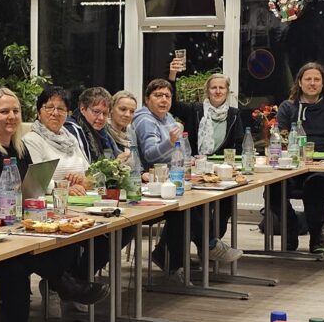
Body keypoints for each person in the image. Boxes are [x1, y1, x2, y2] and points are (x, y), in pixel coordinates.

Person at [0, 88, 103, 322]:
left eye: (15, 111)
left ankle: (60, 287)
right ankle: (56, 294)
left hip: (16, 221)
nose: (11, 116)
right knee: (16, 267)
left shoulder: (18, 146)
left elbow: (30, 188)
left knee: (63, 240)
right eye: (4, 111)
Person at [273, 63, 324, 254]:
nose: (312, 83)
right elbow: (279, 140)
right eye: (308, 79)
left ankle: (316, 236)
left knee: (315, 184)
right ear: (299, 83)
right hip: (292, 167)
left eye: (316, 79)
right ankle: (291, 226)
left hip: (323, 169)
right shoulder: (287, 108)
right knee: (273, 188)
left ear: (323, 83)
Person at [176, 73, 247, 264]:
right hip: (195, 170)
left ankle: (209, 244)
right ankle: (208, 246)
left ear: (227, 91)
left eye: (221, 88)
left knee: (226, 205)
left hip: (222, 172)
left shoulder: (234, 114)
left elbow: (239, 143)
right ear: (207, 91)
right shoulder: (195, 110)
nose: (217, 91)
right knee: (198, 208)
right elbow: (173, 105)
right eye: (213, 87)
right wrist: (173, 76)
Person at [130, 76, 194, 269]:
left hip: (173, 178)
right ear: (147, 99)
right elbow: (150, 155)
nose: (164, 100)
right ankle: (198, 249)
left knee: (201, 205)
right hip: (153, 184)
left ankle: (168, 254)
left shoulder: (168, 117)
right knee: (188, 210)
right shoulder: (145, 120)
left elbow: (181, 149)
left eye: (167, 96)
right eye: (158, 95)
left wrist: (188, 159)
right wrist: (170, 142)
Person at [19, 86, 89, 176]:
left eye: (60, 109)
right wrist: (66, 184)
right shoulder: (31, 140)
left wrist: (83, 181)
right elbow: (37, 180)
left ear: (67, 114)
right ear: (38, 113)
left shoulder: (70, 138)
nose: (55, 113)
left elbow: (88, 172)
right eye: (49, 107)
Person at [72, 86, 121, 162]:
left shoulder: (104, 133)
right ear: (82, 109)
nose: (101, 118)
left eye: (105, 113)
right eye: (96, 112)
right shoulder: (72, 130)